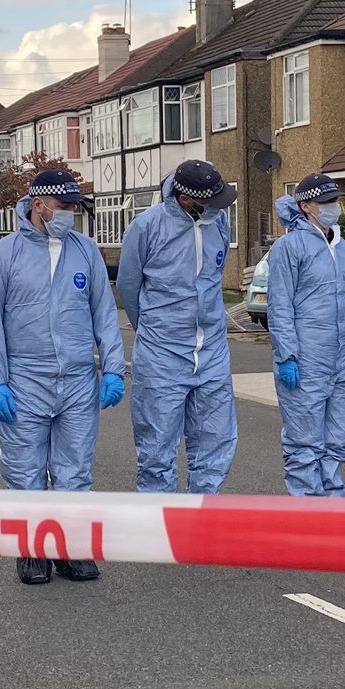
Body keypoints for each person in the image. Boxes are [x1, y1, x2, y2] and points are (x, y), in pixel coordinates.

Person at [0, 169, 125, 583]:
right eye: (64, 207)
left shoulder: (86, 251)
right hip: (25, 378)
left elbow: (104, 314)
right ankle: (32, 550)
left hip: (78, 379)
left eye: (75, 208)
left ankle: (70, 548)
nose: (70, 215)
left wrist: (113, 367)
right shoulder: (3, 256)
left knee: (74, 470)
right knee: (25, 472)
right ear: (38, 204)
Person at [115, 159, 238, 494]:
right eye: (210, 203)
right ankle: (160, 529)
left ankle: (203, 522)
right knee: (156, 449)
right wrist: (155, 331)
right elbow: (129, 287)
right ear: (187, 199)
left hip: (211, 352)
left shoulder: (219, 222)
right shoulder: (146, 227)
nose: (217, 208)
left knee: (215, 444)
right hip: (161, 355)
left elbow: (213, 276)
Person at [265, 173, 345, 496]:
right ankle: (306, 517)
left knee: (336, 441)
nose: (333, 207)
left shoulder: (344, 250)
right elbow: (281, 306)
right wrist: (286, 355)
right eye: (326, 202)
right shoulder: (289, 248)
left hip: (342, 363)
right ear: (306, 207)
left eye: (336, 201)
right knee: (304, 443)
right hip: (306, 361)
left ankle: (332, 508)